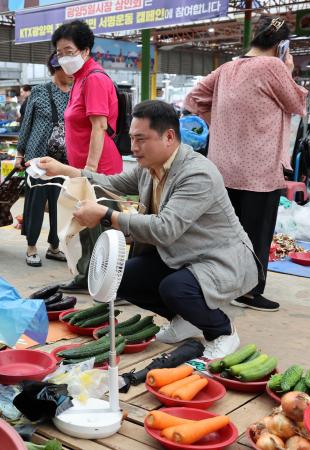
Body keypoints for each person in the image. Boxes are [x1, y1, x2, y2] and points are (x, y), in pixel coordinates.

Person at [36, 100, 261, 359]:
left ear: (169, 136)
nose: (133, 148)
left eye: (141, 139)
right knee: (122, 275)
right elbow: (112, 183)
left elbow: (165, 229)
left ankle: (222, 330)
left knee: (175, 288)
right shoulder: (148, 168)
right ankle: (185, 319)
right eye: (132, 138)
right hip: (180, 254)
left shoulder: (197, 174)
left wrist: (106, 215)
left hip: (219, 258)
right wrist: (64, 170)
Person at [184, 16, 308, 312]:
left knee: (225, 232)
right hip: (259, 171)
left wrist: (219, 123)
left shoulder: (227, 68)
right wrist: (288, 69)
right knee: (256, 234)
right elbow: (298, 105)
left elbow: (193, 98)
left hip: (223, 167)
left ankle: (220, 285)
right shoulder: (274, 67)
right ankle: (251, 292)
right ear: (281, 45)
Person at [51, 20, 122, 294]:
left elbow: (99, 126)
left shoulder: (94, 79)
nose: (63, 57)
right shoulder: (80, 79)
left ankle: (112, 285)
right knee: (86, 225)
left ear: (85, 50)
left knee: (102, 227)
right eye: (59, 52)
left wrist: (90, 170)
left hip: (98, 167)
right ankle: (86, 276)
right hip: (83, 167)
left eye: (69, 50)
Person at [17, 53, 71, 267]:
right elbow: (26, 123)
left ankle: (54, 246)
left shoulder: (76, 94)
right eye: (66, 68)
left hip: (64, 159)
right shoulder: (39, 91)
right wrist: (20, 154)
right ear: (56, 68)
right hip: (37, 157)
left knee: (61, 203)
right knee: (36, 203)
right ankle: (31, 247)